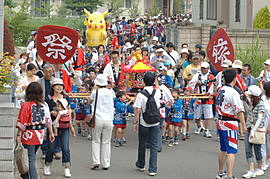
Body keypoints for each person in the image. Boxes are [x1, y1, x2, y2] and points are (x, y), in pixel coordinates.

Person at [16, 82, 55, 179]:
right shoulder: (44, 104)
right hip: (40, 134)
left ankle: (30, 176)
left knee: (30, 159)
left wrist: (18, 135)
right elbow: (48, 120)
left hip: (28, 134)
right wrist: (51, 132)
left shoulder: (26, 105)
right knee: (31, 156)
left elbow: (22, 121)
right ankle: (26, 175)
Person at [215, 69, 247, 179]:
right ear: (234, 78)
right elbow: (239, 110)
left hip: (220, 120)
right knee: (231, 151)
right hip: (230, 122)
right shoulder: (233, 92)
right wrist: (243, 125)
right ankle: (229, 175)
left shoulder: (220, 90)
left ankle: (220, 172)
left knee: (223, 148)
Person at [133, 71, 161, 176]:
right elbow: (157, 86)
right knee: (154, 146)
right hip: (155, 122)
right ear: (154, 81)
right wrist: (156, 80)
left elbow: (137, 110)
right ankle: (152, 169)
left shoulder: (140, 94)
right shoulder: (157, 92)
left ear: (143, 81)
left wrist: (135, 122)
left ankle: (141, 164)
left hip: (144, 122)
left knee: (142, 143)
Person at [44, 78, 72, 177]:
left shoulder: (66, 97)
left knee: (65, 147)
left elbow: (69, 109)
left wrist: (67, 113)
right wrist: (57, 113)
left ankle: (67, 167)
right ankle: (47, 164)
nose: (59, 87)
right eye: (57, 85)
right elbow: (48, 113)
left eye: (61, 85)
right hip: (52, 127)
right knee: (51, 147)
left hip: (64, 126)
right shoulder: (48, 99)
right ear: (52, 87)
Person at [89, 74, 115, 170]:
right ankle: (106, 163)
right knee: (106, 142)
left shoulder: (95, 92)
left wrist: (94, 89)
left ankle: (96, 161)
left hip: (98, 118)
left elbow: (89, 101)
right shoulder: (111, 92)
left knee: (96, 140)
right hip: (109, 119)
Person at [242, 85, 265, 178]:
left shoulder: (261, 104)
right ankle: (251, 169)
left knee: (257, 150)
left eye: (250, 95)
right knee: (248, 149)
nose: (248, 96)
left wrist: (253, 130)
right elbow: (248, 112)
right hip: (249, 128)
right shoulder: (251, 102)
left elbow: (260, 118)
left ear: (253, 95)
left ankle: (260, 168)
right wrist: (244, 102)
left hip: (257, 130)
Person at [188, 62, 215, 137]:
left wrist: (210, 93)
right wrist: (197, 84)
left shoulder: (211, 77)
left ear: (208, 69)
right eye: (202, 68)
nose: (203, 69)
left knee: (208, 116)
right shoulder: (197, 76)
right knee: (197, 116)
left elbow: (214, 86)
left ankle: (207, 130)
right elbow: (190, 84)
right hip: (198, 98)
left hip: (207, 98)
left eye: (205, 68)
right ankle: (199, 126)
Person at [262, 82, 270, 171]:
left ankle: (268, 161)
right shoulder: (263, 98)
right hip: (263, 124)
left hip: (268, 125)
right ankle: (264, 162)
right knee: (263, 144)